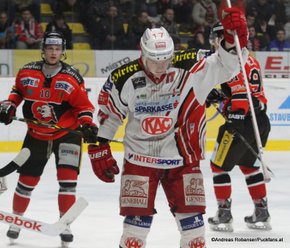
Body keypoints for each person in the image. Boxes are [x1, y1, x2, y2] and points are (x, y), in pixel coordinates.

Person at [88, 7, 248, 248]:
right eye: (155, 60)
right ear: (142, 52)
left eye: (166, 59)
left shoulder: (191, 65)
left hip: (183, 160)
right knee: (133, 237)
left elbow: (228, 66)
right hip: (140, 161)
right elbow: (110, 115)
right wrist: (99, 146)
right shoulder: (123, 77)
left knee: (195, 238)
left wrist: (234, 40)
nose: (161, 66)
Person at [0, 31, 98, 246]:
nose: (53, 52)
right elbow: (17, 92)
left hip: (68, 136)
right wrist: (8, 107)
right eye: (50, 48)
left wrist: (88, 125)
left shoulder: (72, 78)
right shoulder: (27, 72)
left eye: (57, 49)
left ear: (63, 51)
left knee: (67, 183)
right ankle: (16, 220)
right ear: (43, 49)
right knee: (26, 182)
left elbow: (84, 107)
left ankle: (65, 224)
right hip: (36, 135)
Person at [204, 21, 271, 232]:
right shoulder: (250, 59)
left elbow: (240, 99)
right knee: (249, 166)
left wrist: (229, 109)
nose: (214, 43)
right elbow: (252, 94)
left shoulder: (232, 62)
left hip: (241, 122)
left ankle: (224, 215)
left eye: (216, 38)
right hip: (260, 122)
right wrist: (221, 96)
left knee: (218, 167)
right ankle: (262, 212)